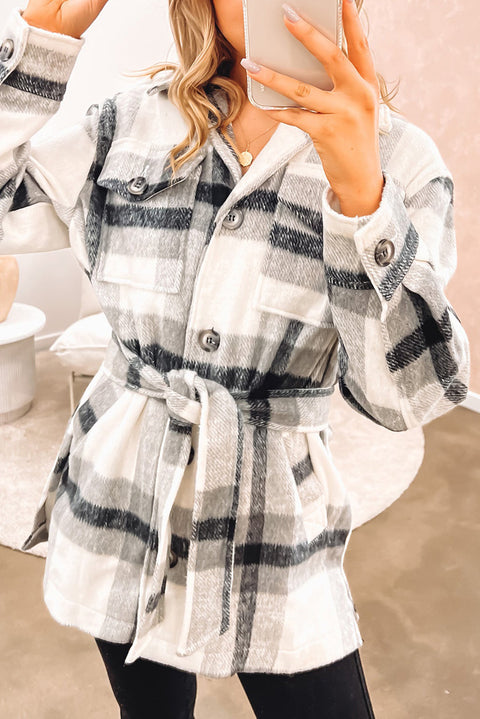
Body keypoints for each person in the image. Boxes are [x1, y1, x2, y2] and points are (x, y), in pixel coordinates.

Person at [1, 0, 470, 717]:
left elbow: (407, 395)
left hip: (274, 534)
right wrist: (42, 43)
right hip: (118, 509)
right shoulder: (127, 125)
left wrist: (361, 199)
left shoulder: (398, 162)